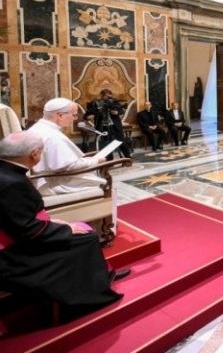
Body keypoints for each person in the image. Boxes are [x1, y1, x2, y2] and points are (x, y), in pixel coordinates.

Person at [0, 132, 128, 318]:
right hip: (12, 256)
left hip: (16, 234)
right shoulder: (12, 183)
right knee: (87, 237)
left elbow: (15, 216)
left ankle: (102, 276)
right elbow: (27, 230)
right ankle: (91, 291)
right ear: (34, 154)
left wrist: (50, 221)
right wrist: (65, 230)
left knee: (82, 232)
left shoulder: (8, 171)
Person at [28, 98, 108, 196]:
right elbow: (69, 166)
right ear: (60, 115)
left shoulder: (38, 128)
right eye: (74, 115)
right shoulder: (52, 136)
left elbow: (62, 162)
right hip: (57, 183)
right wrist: (96, 161)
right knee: (103, 182)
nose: (75, 119)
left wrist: (88, 159)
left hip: (46, 178)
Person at [85, 89, 131, 159]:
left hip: (115, 126)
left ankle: (128, 158)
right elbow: (87, 115)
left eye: (110, 96)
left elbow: (121, 110)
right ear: (102, 95)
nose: (108, 98)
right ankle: (109, 159)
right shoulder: (96, 103)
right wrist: (91, 116)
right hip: (103, 127)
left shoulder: (113, 102)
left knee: (121, 141)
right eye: (106, 96)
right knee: (107, 143)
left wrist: (117, 112)